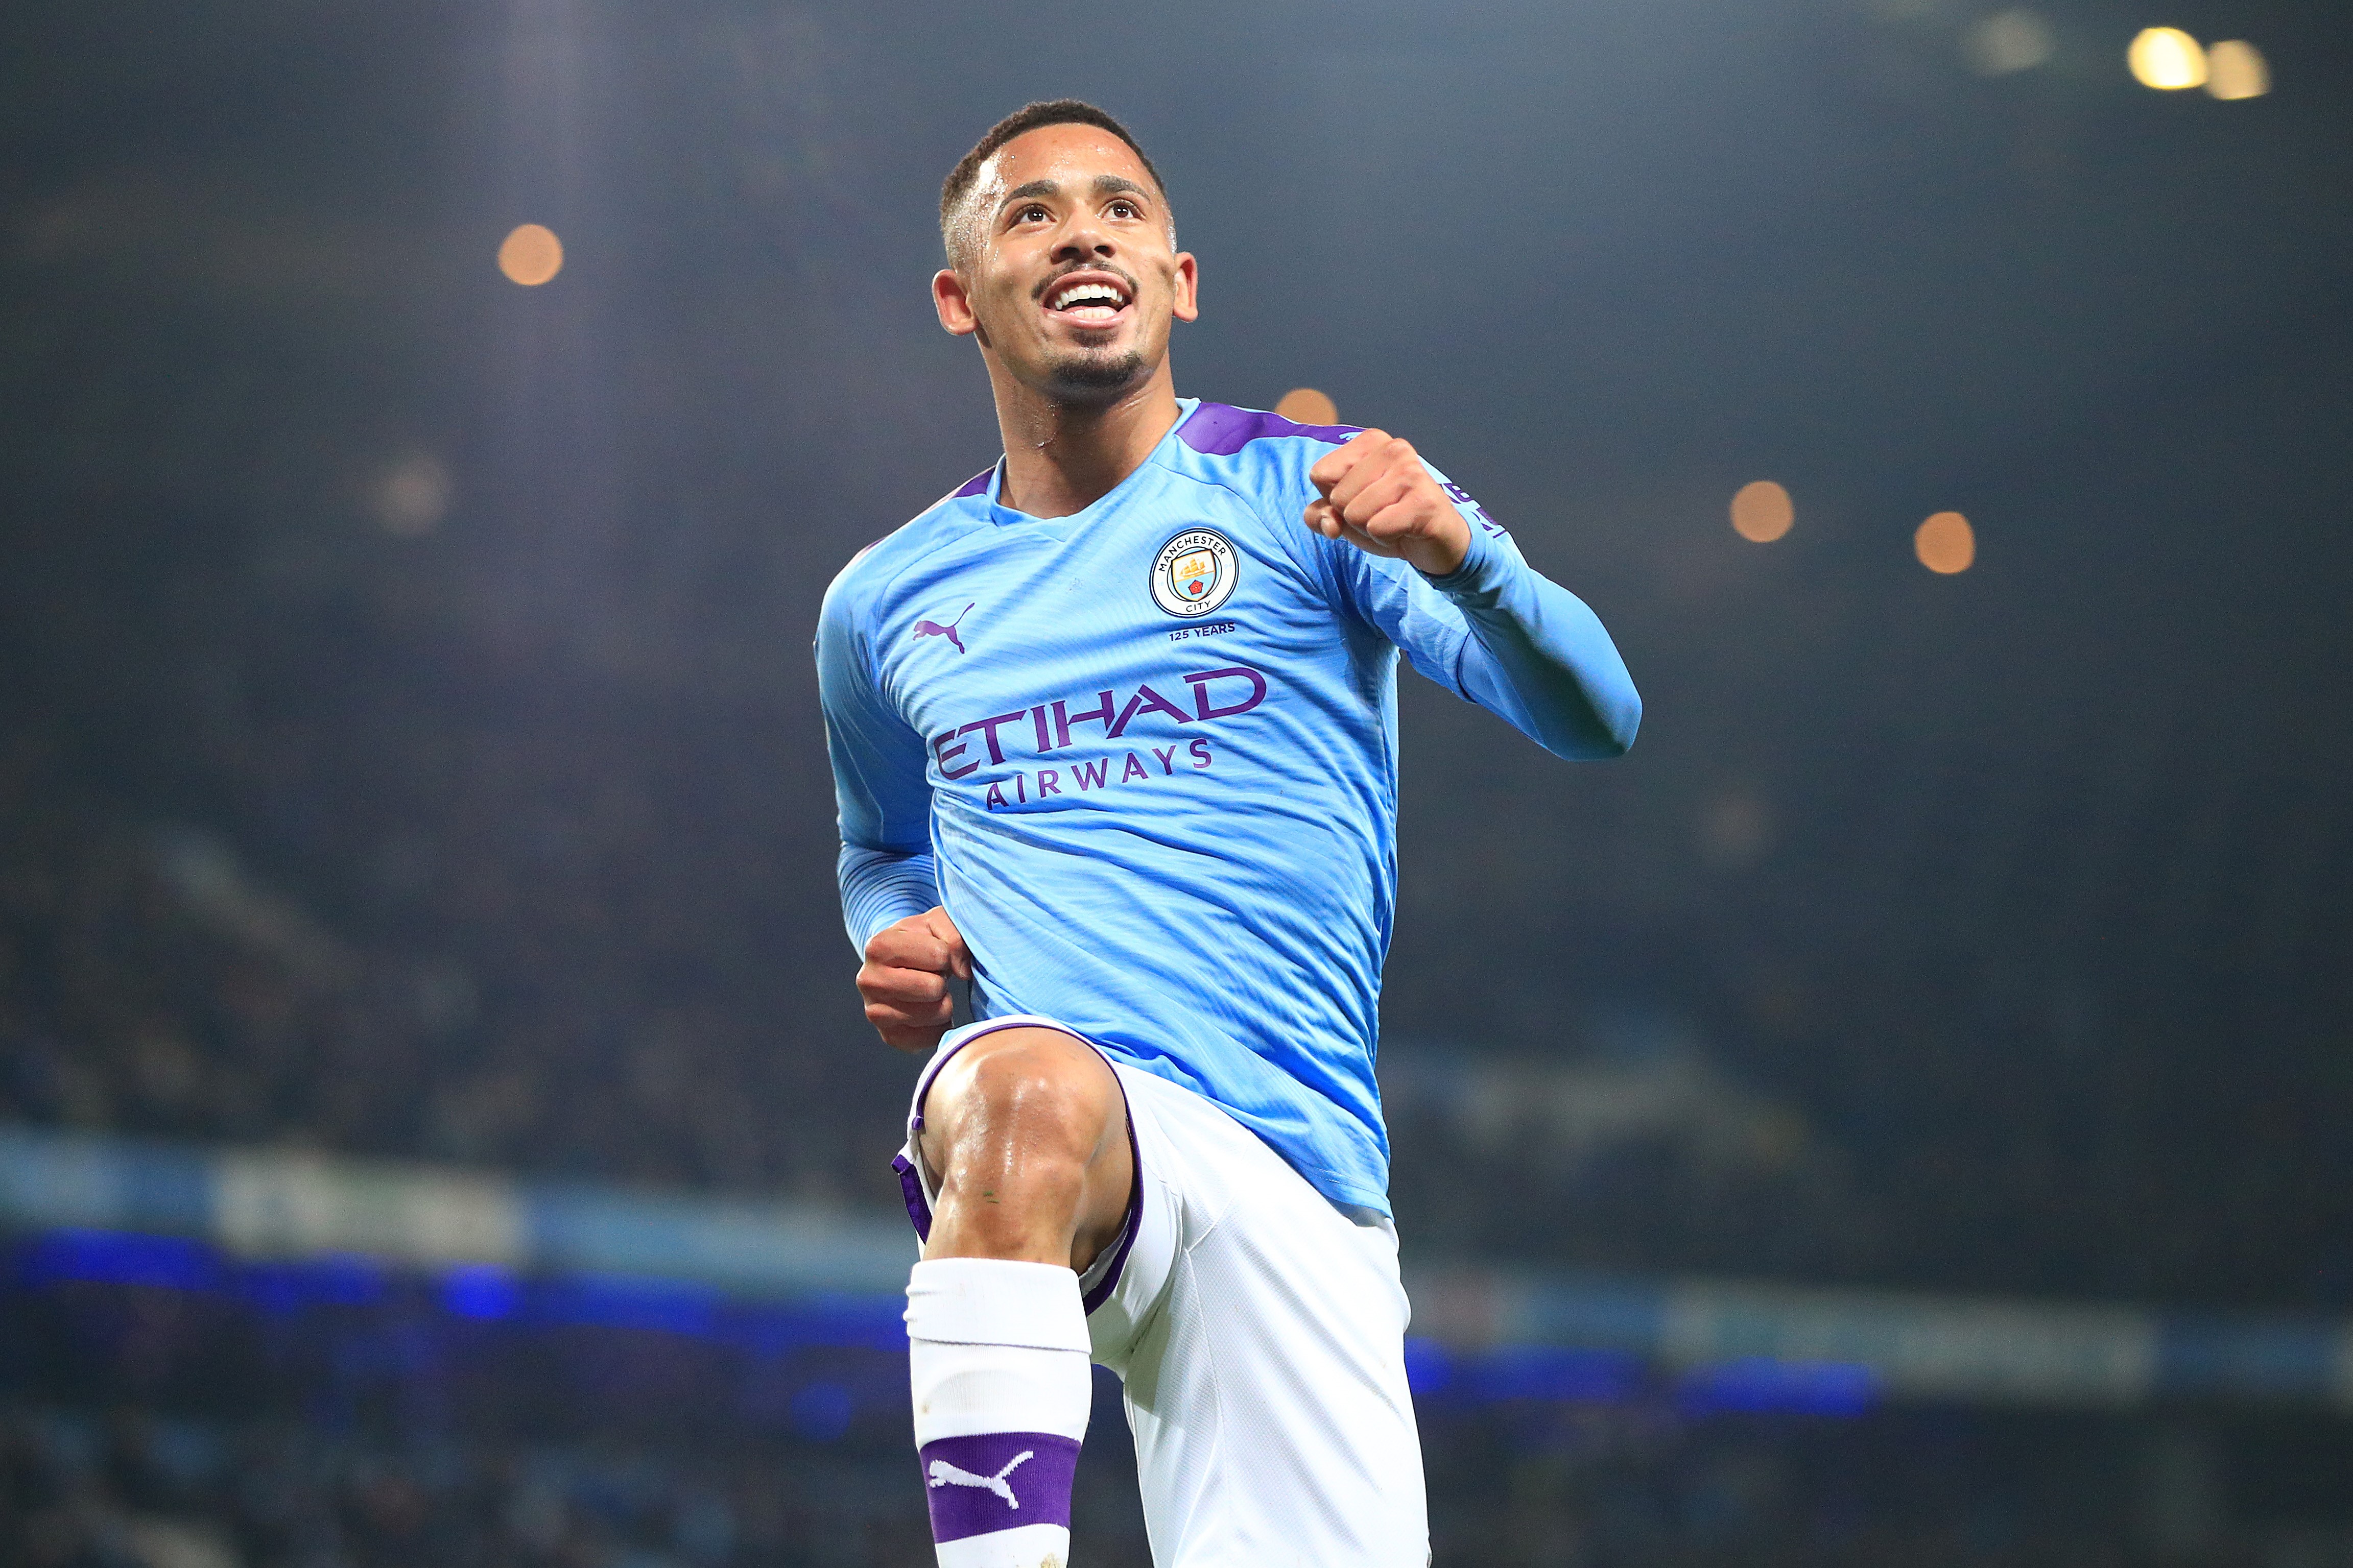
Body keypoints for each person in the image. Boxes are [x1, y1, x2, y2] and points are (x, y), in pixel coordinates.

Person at [815, 99, 1639, 1568]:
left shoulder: (1316, 491)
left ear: (1178, 278)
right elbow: (878, 845)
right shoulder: (883, 602)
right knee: (1021, 1096)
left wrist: (1466, 553)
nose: (1083, 229)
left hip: (1302, 1175)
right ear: (962, 299)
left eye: (1121, 208)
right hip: (1075, 1129)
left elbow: (1601, 712)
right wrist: (890, 930)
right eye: (1031, 211)